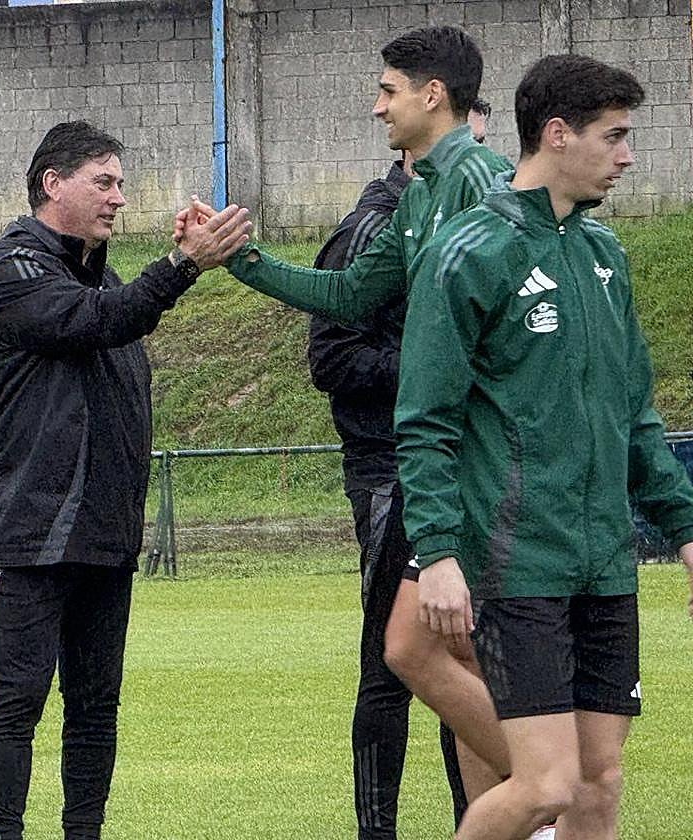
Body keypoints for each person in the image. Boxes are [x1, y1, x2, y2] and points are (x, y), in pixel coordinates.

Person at [182, 23, 514, 804]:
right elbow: (350, 297)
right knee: (430, 655)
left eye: (387, 90)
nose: (376, 108)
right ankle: (526, 806)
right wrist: (243, 261)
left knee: (441, 655)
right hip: (440, 463)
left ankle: (558, 788)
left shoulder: (485, 184)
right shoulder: (422, 194)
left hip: (491, 468)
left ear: (434, 96)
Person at [396, 53, 693, 840]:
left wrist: (686, 528)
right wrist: (437, 552)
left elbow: (635, 416)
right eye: (615, 136)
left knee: (598, 783)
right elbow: (426, 420)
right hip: (516, 561)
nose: (628, 155)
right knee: (546, 784)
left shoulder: (604, 257)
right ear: (556, 135)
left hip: (604, 560)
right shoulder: (469, 249)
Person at [0, 120, 250, 840]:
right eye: (104, 181)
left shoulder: (107, 282)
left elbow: (113, 317)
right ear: (51, 184)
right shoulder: (10, 271)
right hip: (30, 533)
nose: (119, 197)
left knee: (96, 706)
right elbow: (96, 321)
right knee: (18, 701)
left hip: (102, 532)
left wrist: (174, 264)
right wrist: (181, 265)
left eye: (120, 183)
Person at [307, 146, 469, 838]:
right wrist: (433, 367)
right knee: (389, 664)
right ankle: (378, 829)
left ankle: (482, 820)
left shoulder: (459, 228)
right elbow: (331, 358)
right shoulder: (370, 229)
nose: (476, 166)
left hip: (462, 470)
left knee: (464, 656)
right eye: (467, 148)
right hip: (387, 472)